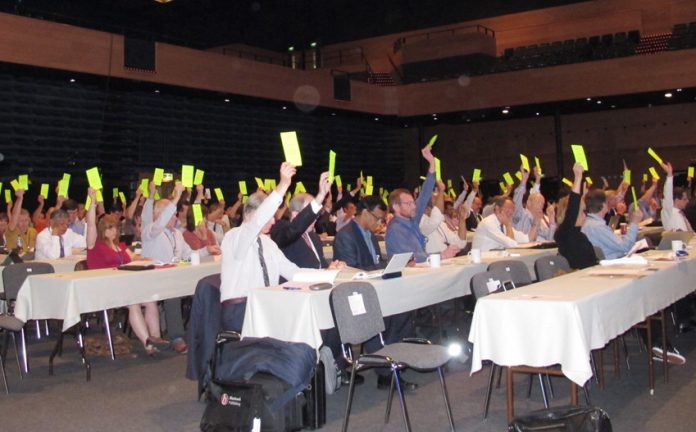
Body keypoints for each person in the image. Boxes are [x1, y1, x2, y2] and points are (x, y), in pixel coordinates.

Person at [84, 188, 168, 356]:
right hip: (104, 286)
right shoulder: (95, 246)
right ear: (102, 230)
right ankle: (147, 344)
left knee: (151, 300)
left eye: (114, 228)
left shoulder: (120, 246)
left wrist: (150, 260)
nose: (113, 231)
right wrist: (92, 202)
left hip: (124, 285)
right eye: (109, 228)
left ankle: (156, 337)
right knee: (134, 303)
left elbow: (135, 259)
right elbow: (91, 224)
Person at [219, 162, 300, 332]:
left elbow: (293, 272)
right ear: (251, 213)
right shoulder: (234, 237)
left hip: (264, 305)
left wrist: (327, 275)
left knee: (300, 319)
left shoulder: (268, 243)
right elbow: (256, 223)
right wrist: (283, 185)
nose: (274, 221)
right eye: (269, 216)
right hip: (241, 310)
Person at [140, 181, 191, 354]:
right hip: (153, 279)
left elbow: (188, 254)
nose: (176, 217)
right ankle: (177, 337)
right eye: (172, 214)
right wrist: (176, 197)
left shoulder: (177, 234)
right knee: (173, 294)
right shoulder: (150, 231)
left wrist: (210, 251)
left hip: (173, 276)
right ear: (161, 215)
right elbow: (160, 223)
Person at [270, 172, 335, 269]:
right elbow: (295, 229)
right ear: (295, 214)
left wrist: (332, 268)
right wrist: (321, 195)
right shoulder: (281, 229)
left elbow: (321, 266)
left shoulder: (314, 237)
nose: (314, 219)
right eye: (311, 215)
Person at [385, 144, 437, 263]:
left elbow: (425, 194)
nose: (414, 206)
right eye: (408, 203)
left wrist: (432, 162)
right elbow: (412, 257)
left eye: (413, 202)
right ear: (396, 207)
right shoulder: (395, 229)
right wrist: (440, 256)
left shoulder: (412, 219)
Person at [554, 163, 597, 269]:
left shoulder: (582, 236)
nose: (585, 215)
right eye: (582, 211)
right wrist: (577, 178)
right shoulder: (564, 233)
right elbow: (572, 208)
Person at [581, 189, 642, 259]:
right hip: (611, 264)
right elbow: (625, 246)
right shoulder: (597, 226)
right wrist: (634, 223)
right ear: (603, 205)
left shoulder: (589, 223)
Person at [333, 195, 387, 270]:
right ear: (365, 213)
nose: (379, 223)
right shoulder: (345, 236)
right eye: (378, 218)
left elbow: (377, 261)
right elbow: (351, 270)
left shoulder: (370, 234)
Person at [512, 167, 556, 241]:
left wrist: (551, 222)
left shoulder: (542, 220)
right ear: (529, 203)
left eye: (543, 203)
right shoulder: (521, 214)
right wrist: (524, 180)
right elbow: (516, 201)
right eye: (538, 202)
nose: (541, 205)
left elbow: (550, 240)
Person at [660, 162, 692, 232]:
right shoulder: (669, 211)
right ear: (677, 200)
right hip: (676, 242)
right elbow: (668, 194)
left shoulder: (681, 213)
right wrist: (669, 175)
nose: (687, 201)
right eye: (684, 199)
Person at [5, 188, 37, 254]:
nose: (24, 223)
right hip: (14, 261)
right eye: (21, 221)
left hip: (30, 261)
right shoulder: (12, 230)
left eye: (26, 220)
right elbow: (14, 215)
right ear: (16, 221)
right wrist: (20, 199)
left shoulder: (33, 231)